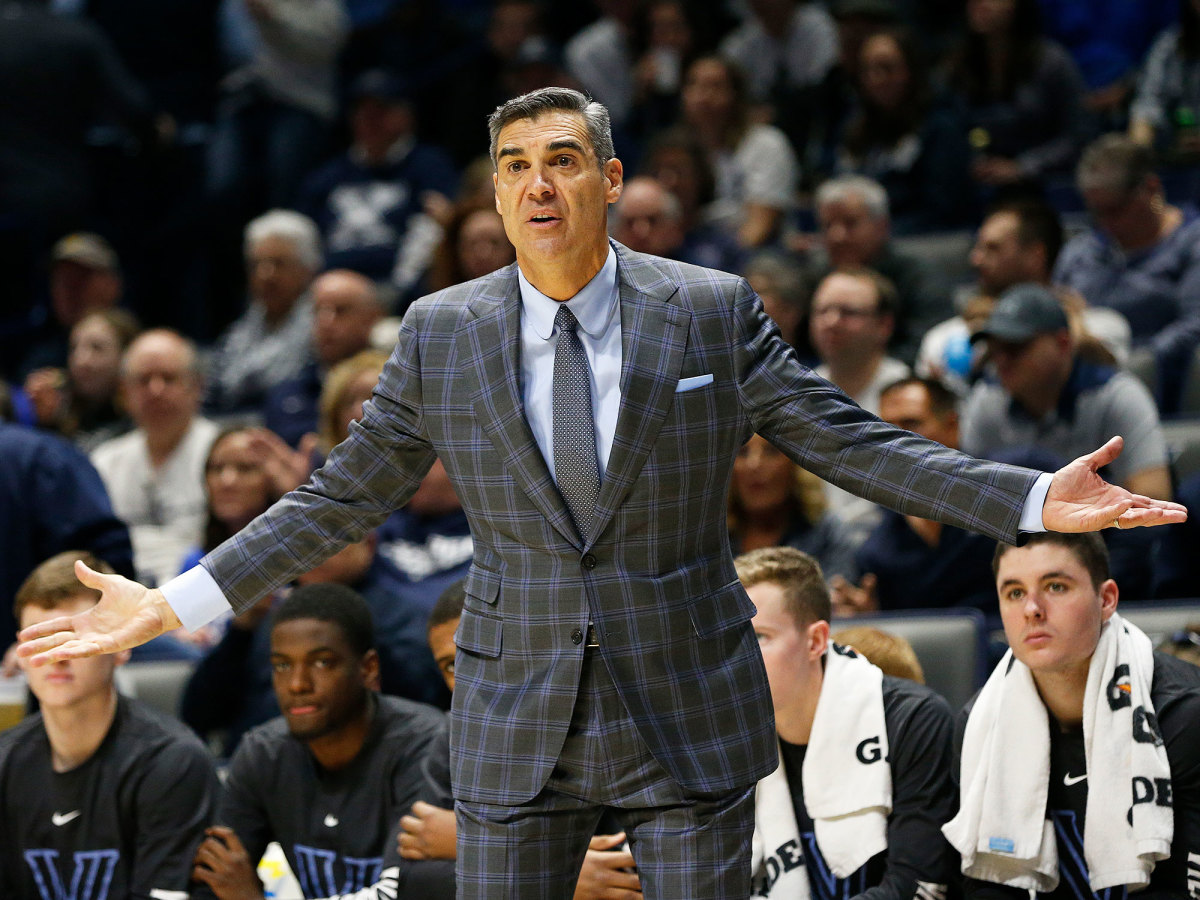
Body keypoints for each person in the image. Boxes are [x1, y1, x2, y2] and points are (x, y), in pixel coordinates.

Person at [19, 87, 1186, 900]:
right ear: (493, 195)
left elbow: (848, 441)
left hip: (685, 703)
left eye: (563, 159)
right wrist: (173, 601)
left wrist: (1032, 500)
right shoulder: (440, 332)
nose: (537, 184)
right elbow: (337, 499)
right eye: (514, 166)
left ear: (612, 179)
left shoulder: (707, 309)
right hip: (516, 708)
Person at [945, 532, 1200, 897]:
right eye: (1014, 593)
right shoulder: (978, 725)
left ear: (1106, 599)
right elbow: (986, 887)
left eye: (1056, 587)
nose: (1032, 609)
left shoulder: (1184, 714)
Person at [191, 582, 452, 899]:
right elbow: (212, 885)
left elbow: (402, 895)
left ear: (368, 669)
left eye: (322, 662)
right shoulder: (263, 753)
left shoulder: (425, 746)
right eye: (282, 665)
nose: (297, 684)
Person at [397, 582, 647, 899]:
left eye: (484, 654)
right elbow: (412, 878)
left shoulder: (616, 717)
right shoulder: (455, 733)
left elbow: (640, 872)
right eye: (451, 665)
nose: (467, 680)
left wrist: (462, 841)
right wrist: (563, 875)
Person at [736, 546, 960, 899]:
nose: (735, 659)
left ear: (815, 641)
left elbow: (917, 887)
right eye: (726, 640)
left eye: (759, 636)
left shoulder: (913, 720)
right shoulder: (716, 739)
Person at [0, 551, 218, 900]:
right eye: (40, 638)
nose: (56, 656)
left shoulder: (173, 761)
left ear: (122, 647)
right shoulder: (5, 761)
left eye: (72, 637)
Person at [1053, 134, 1200, 413]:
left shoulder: (1191, 243)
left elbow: (1194, 325)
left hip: (1159, 387)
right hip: (1076, 383)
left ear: (1151, 188)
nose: (1106, 224)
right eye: (1097, 213)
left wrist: (1127, 361)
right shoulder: (1080, 252)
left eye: (1116, 210)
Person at [832, 376, 1000, 616]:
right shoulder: (876, 551)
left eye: (911, 424)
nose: (894, 441)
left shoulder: (1007, 492)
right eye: (884, 428)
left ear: (952, 427)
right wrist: (871, 617)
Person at [90, 329, 219, 588]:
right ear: (124, 392)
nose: (156, 390)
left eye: (169, 378)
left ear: (196, 386)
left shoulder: (223, 453)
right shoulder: (104, 461)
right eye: (143, 380)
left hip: (208, 591)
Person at [810, 174, 954, 365]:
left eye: (850, 223)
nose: (837, 236)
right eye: (827, 225)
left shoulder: (919, 276)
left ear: (882, 226)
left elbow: (928, 348)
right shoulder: (815, 274)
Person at [205, 210, 321, 416]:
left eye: (279, 263)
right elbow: (212, 397)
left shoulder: (323, 331)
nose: (266, 274)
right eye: (256, 264)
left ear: (308, 269)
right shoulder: (235, 336)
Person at [263, 269, 385, 448]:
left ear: (372, 317)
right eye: (318, 311)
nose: (326, 322)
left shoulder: (396, 385)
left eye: (341, 310)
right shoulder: (284, 396)